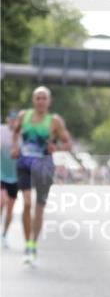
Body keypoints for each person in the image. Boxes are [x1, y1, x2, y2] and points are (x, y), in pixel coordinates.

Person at [12, 87, 72, 266]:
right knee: (27, 203)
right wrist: (15, 147)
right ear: (33, 100)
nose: (40, 101)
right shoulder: (24, 116)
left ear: (49, 101)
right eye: (38, 98)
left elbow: (67, 143)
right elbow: (15, 132)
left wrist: (57, 148)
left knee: (39, 208)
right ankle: (27, 245)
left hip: (44, 167)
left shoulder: (54, 121)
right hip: (24, 165)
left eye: (44, 98)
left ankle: (33, 243)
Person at [1, 109, 20, 248]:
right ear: (7, 119)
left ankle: (4, 236)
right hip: (1, 174)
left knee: (10, 208)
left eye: (16, 119)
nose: (13, 121)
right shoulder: (1, 131)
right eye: (11, 118)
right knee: (1, 201)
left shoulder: (22, 135)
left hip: (15, 177)